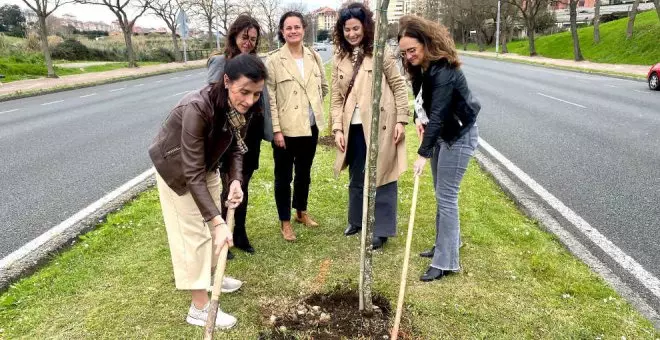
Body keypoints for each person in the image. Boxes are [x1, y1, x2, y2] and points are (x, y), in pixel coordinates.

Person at [149, 54, 267, 328]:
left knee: (213, 228)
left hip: (207, 165)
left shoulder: (242, 106)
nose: (249, 100)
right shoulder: (197, 107)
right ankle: (199, 308)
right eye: (244, 92)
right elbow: (191, 174)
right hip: (177, 170)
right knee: (196, 234)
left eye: (256, 94)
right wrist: (216, 221)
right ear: (226, 81)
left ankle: (213, 275)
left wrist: (236, 180)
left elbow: (237, 145)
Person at [398, 15, 481, 282]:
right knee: (441, 193)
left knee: (446, 196)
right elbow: (422, 104)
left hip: (458, 136)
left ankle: (445, 261)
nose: (409, 55)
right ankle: (446, 243)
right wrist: (416, 120)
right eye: (404, 52)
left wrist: (423, 153)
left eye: (413, 50)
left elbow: (440, 113)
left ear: (426, 43)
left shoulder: (443, 70)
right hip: (443, 135)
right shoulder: (421, 69)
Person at [330, 2, 409, 250]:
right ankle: (356, 220)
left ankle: (380, 229)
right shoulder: (340, 58)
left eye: (356, 28)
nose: (352, 34)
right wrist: (337, 128)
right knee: (356, 174)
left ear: (365, 27)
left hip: (379, 126)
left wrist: (401, 120)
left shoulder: (380, 53)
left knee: (381, 175)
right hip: (352, 127)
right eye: (347, 30)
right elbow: (335, 98)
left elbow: (398, 86)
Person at [207, 15, 273, 256]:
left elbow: (263, 98)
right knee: (227, 185)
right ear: (234, 35)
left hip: (251, 132)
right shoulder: (221, 62)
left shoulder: (256, 63)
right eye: (245, 37)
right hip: (228, 133)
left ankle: (240, 232)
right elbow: (214, 98)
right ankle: (224, 232)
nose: (248, 42)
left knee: (243, 183)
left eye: (253, 39)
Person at [266, 11, 329, 241]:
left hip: (310, 127)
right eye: (288, 27)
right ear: (282, 32)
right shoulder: (274, 60)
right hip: (285, 130)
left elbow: (323, 86)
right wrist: (276, 130)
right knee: (284, 177)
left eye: (297, 27)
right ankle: (285, 222)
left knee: (304, 173)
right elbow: (270, 97)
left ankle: (301, 212)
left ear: (304, 29)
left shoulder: (313, 56)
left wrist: (314, 109)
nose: (293, 31)